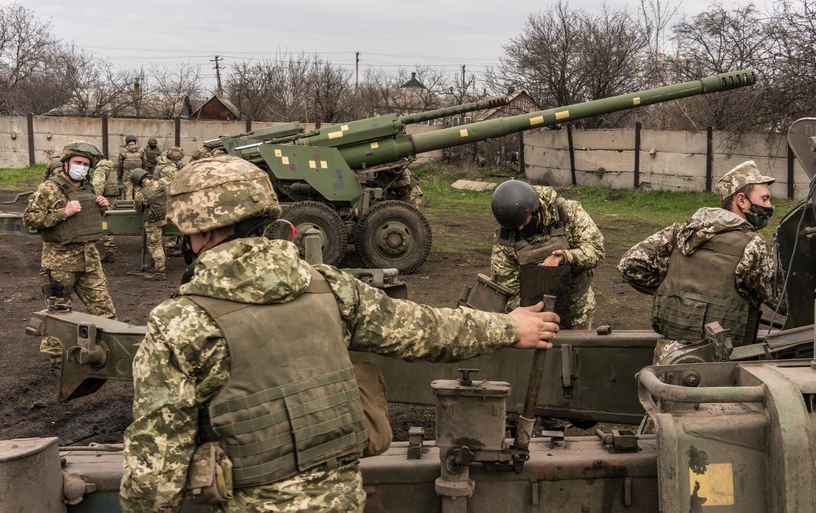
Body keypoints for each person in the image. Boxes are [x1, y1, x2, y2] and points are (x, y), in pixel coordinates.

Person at [120, 155, 559, 512]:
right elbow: (424, 329)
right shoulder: (328, 285)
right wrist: (508, 326)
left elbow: (154, 480)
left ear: (205, 230)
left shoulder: (179, 323)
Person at [617, 160, 781, 364]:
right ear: (742, 200)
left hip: (667, 360)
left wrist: (671, 292)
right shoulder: (754, 246)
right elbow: (783, 301)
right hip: (719, 364)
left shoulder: (679, 232)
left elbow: (629, 264)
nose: (769, 206)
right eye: (764, 199)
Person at [22, 141, 117, 368]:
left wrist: (100, 208)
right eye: (77, 163)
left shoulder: (87, 187)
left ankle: (109, 355)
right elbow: (30, 221)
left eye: (86, 164)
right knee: (59, 314)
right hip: (60, 263)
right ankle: (58, 362)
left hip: (89, 260)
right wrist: (62, 212)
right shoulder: (49, 188)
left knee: (105, 310)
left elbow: (87, 219)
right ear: (66, 163)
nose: (82, 168)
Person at [489, 179, 605, 329]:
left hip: (578, 311)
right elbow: (507, 288)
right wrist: (531, 318)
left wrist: (565, 257)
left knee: (579, 351)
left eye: (524, 224)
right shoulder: (505, 239)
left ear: (535, 210)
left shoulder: (568, 212)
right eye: (515, 227)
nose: (520, 230)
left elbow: (596, 250)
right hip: (534, 319)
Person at [129, 168, 168, 280]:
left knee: (154, 245)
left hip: (153, 222)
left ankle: (160, 272)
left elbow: (138, 209)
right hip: (166, 217)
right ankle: (154, 262)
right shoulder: (162, 182)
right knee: (156, 242)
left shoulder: (140, 194)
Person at [90, 152, 122, 263]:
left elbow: (98, 185)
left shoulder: (100, 168)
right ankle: (110, 249)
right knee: (109, 222)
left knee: (105, 223)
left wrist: (95, 198)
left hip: (104, 198)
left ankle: (110, 251)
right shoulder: (111, 167)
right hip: (113, 197)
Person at [116, 134, 145, 199]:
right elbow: (145, 162)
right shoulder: (141, 150)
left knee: (128, 190)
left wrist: (119, 174)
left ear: (126, 142)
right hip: (139, 173)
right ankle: (138, 206)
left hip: (127, 172)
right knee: (138, 189)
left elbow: (120, 164)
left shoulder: (123, 151)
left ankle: (129, 207)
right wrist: (144, 172)